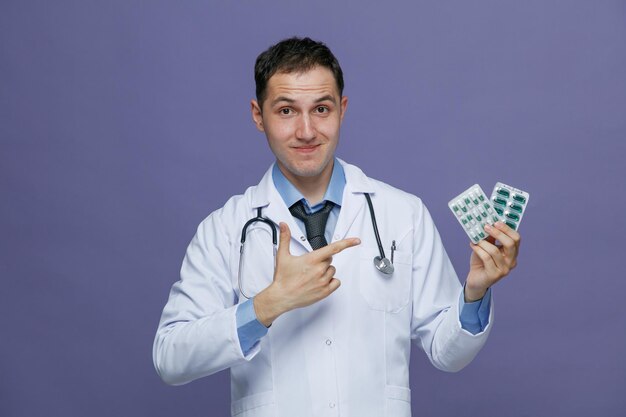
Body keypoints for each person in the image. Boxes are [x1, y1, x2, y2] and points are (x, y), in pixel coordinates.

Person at [153, 37, 521, 417]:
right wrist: (267, 305)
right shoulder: (225, 229)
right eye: (286, 111)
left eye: (321, 109)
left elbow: (449, 354)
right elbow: (171, 358)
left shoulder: (402, 214)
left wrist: (475, 292)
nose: (307, 131)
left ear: (342, 110)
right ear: (257, 115)